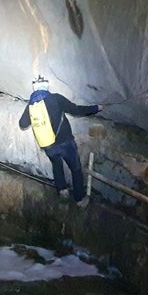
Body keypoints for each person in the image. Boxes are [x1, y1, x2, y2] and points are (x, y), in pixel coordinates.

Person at [18, 75, 102, 208]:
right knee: (75, 169)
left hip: (48, 145)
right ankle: (79, 199)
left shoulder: (32, 104)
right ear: (47, 86)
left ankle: (62, 190)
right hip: (65, 142)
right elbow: (76, 110)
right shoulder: (56, 98)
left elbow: (22, 124)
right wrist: (96, 108)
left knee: (56, 165)